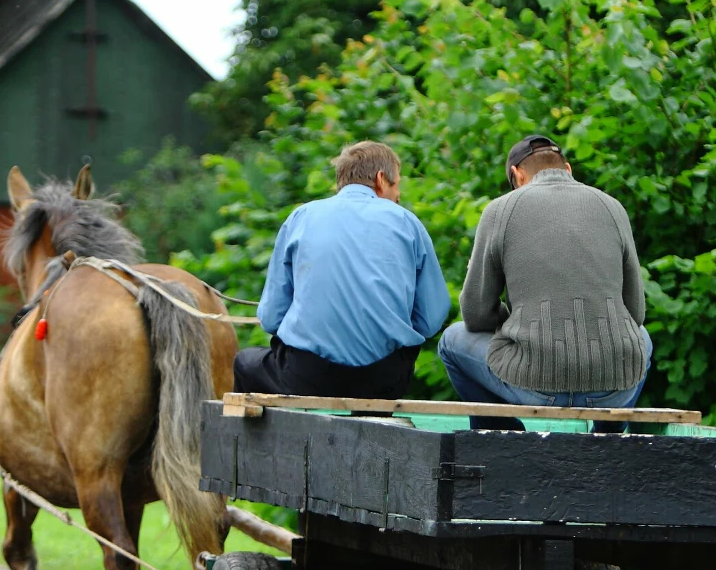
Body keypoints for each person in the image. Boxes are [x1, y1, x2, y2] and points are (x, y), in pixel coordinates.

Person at [437, 134, 652, 427]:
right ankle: (608, 438)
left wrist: (510, 320)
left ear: (516, 174)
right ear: (568, 169)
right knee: (643, 339)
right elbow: (636, 313)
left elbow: (475, 315)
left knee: (451, 341)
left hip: (535, 387)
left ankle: (502, 438)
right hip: (611, 392)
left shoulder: (500, 210)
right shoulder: (613, 207)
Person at [233, 141, 450, 399]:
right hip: (385, 380)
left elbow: (270, 318)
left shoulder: (301, 218)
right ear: (381, 179)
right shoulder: (407, 222)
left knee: (244, 363)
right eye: (397, 184)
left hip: (308, 377)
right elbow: (432, 319)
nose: (398, 195)